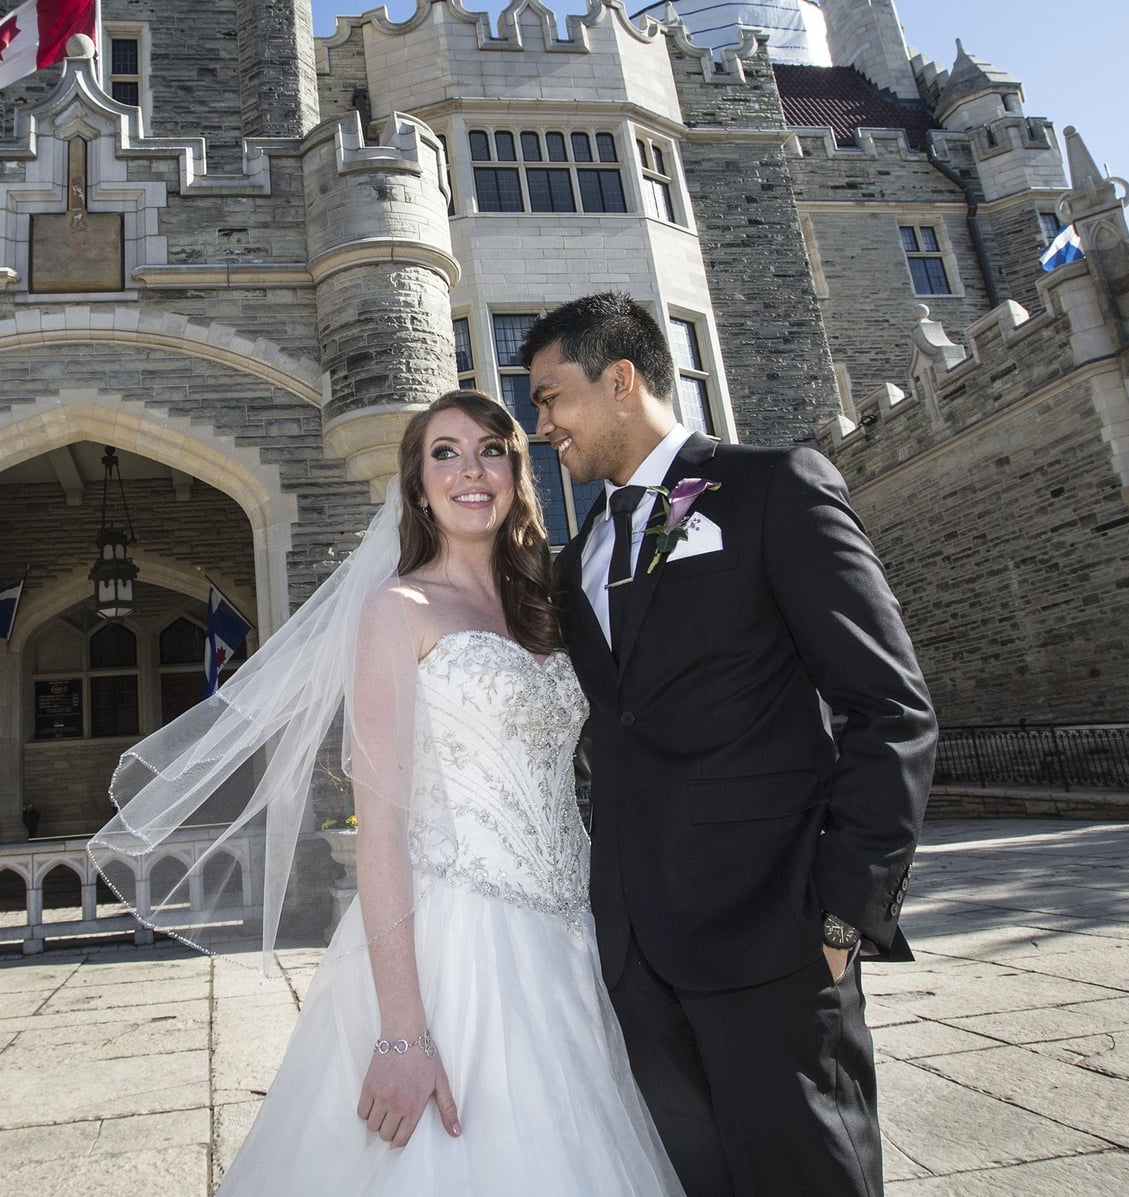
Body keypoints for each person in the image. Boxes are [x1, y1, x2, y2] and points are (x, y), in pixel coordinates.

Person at [92, 388, 682, 1196]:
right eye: (444, 453)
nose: (469, 471)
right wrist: (403, 1031)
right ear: (415, 484)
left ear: (517, 471)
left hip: (573, 932)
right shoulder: (396, 610)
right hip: (459, 943)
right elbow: (380, 828)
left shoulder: (548, 604)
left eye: (491, 450)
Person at [522, 294, 938, 1197]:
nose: (540, 422)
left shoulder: (770, 488)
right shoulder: (579, 553)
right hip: (635, 950)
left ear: (622, 379)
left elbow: (889, 708)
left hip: (772, 933)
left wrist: (843, 910)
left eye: (552, 397)